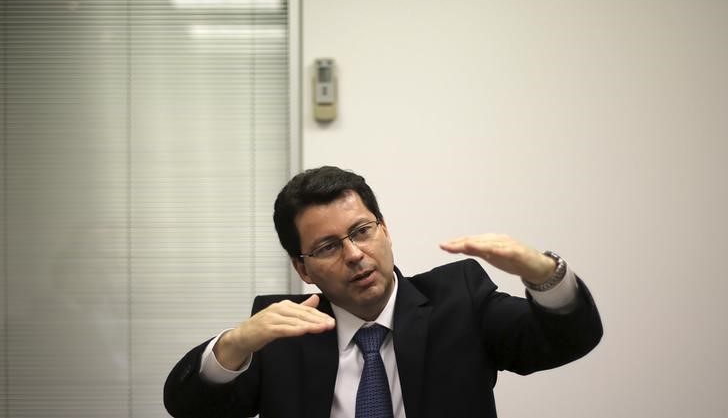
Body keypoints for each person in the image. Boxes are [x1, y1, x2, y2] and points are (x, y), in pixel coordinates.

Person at [164, 165, 602, 418]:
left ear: (385, 231)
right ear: (303, 269)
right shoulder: (283, 332)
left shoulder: (459, 300)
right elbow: (188, 407)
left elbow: (569, 339)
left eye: (361, 231)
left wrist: (544, 274)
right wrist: (236, 343)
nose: (354, 255)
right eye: (328, 247)